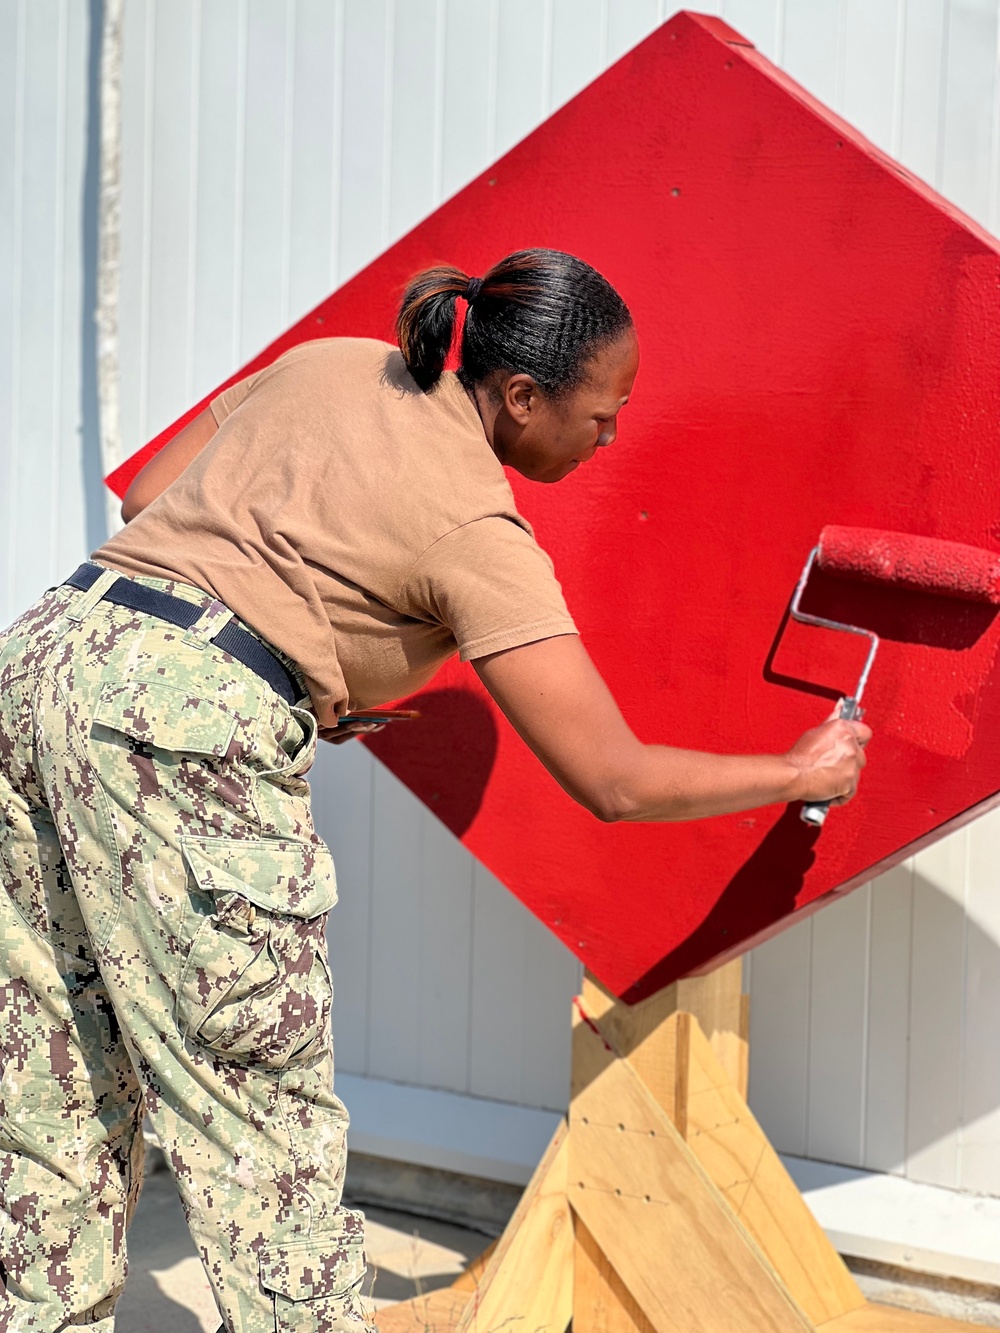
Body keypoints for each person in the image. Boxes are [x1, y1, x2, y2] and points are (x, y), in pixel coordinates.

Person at [0, 248, 870, 1333]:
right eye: (602, 415)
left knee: (53, 1073)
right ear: (519, 396)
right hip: (178, 727)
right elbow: (611, 776)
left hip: (44, 659)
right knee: (259, 1113)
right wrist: (798, 770)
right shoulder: (476, 528)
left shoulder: (334, 364)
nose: (610, 439)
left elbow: (146, 492)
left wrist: (299, 661)